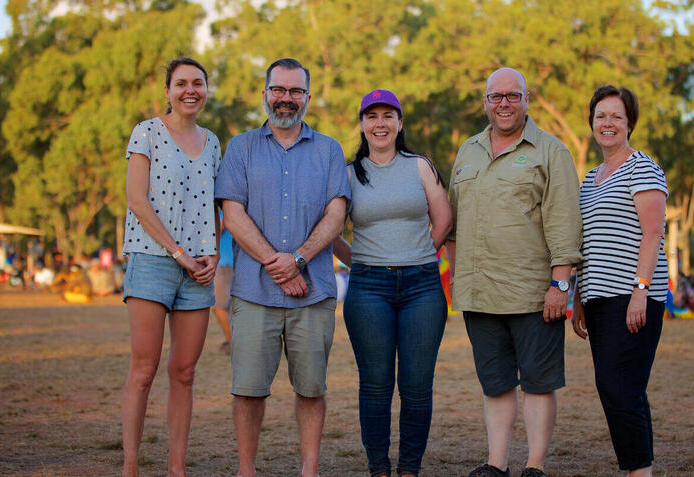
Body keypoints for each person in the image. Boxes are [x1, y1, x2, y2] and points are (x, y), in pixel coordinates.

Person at [214, 58, 350, 477]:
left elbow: (336, 213)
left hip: (314, 295)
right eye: (279, 89)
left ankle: (309, 469)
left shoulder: (328, 150)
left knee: (311, 389)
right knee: (249, 390)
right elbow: (232, 214)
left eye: (295, 91)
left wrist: (299, 260)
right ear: (265, 94)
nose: (286, 98)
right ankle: (246, 470)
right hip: (253, 294)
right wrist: (278, 265)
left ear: (307, 98)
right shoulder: (240, 148)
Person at [445, 68, 582, 477]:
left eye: (512, 95)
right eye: (495, 96)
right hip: (479, 294)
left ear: (526, 99)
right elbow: (452, 224)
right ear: (485, 102)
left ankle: (535, 466)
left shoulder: (550, 152)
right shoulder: (468, 151)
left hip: (533, 294)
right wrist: (458, 279)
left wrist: (560, 285)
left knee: (538, 382)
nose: (503, 103)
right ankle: (496, 463)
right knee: (496, 382)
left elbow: (564, 224)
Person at [332, 89, 451, 477]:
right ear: (363, 125)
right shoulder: (348, 175)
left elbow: (444, 218)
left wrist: (421, 253)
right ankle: (379, 468)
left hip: (422, 287)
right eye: (372, 117)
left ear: (399, 123)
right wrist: (362, 263)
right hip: (368, 289)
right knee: (376, 386)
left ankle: (409, 469)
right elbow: (332, 231)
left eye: (388, 116)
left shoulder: (419, 166)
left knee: (417, 386)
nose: (379, 124)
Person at [119, 57, 221, 477]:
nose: (190, 90)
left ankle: (176, 468)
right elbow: (137, 201)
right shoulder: (146, 133)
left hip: (199, 270)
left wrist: (212, 251)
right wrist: (178, 252)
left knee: (184, 372)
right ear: (167, 91)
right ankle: (130, 466)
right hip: (152, 261)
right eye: (181, 83)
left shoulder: (214, 142)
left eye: (197, 83)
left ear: (205, 90)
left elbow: (217, 204)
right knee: (144, 370)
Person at [571, 85, 667, 477]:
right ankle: (638, 468)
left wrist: (639, 292)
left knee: (618, 386)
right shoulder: (591, 177)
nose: (607, 123)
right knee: (617, 386)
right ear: (592, 123)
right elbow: (587, 241)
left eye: (616, 116)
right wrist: (578, 295)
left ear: (629, 124)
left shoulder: (642, 167)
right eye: (601, 116)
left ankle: (638, 471)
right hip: (597, 299)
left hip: (632, 297)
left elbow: (652, 233)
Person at [213, 212, 234, 354]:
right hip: (225, 263)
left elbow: (216, 230)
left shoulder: (222, 210)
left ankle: (233, 344)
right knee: (225, 308)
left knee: (218, 307)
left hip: (223, 264)